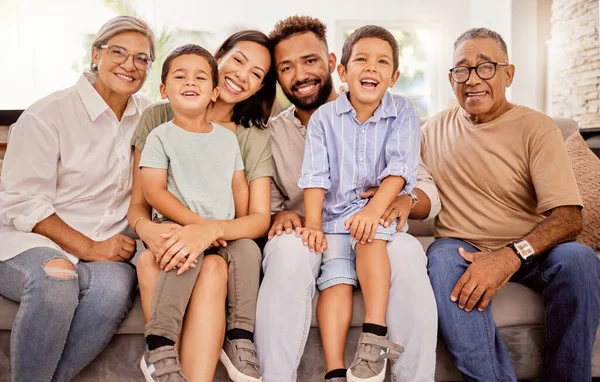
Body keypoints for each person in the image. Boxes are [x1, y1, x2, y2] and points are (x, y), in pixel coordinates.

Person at [255, 16, 439, 382]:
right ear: (277, 76)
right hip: (313, 233)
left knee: (406, 253)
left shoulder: (394, 113)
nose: (301, 74)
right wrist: (277, 216)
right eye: (286, 67)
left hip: (377, 224)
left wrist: (405, 201)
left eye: (309, 61)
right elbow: (269, 199)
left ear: (330, 62)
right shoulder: (270, 133)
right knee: (290, 254)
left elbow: (424, 187)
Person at [422, 27, 600, 382]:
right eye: (462, 69)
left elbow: (568, 219)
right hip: (461, 248)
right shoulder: (430, 130)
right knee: (440, 260)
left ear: (509, 73)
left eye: (485, 66)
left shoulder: (537, 128)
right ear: (451, 78)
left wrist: (509, 255)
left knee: (580, 260)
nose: (472, 79)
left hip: (532, 250)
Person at [0, 16, 155, 382]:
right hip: (29, 241)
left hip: (112, 249)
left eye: (142, 58)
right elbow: (22, 202)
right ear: (95, 54)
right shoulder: (49, 114)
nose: (129, 65)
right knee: (57, 278)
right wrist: (89, 246)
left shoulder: (150, 116)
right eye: (118, 52)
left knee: (115, 290)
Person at [129, 30, 276, 381]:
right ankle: (161, 354)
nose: (242, 75)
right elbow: (144, 200)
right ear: (220, 56)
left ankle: (234, 342)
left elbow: (253, 215)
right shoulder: (159, 122)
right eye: (238, 60)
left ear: (260, 87)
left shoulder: (243, 137)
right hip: (171, 230)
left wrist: (209, 230)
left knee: (216, 269)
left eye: (256, 73)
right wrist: (153, 230)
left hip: (224, 238)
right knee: (157, 257)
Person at [298, 25, 420, 382]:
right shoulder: (323, 118)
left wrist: (372, 211)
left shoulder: (403, 112)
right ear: (343, 72)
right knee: (333, 282)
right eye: (361, 60)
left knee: (370, 238)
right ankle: (335, 370)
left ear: (394, 76)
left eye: (382, 62)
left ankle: (374, 335)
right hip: (335, 220)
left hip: (378, 213)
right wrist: (313, 225)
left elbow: (399, 169)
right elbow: (316, 176)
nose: (371, 68)